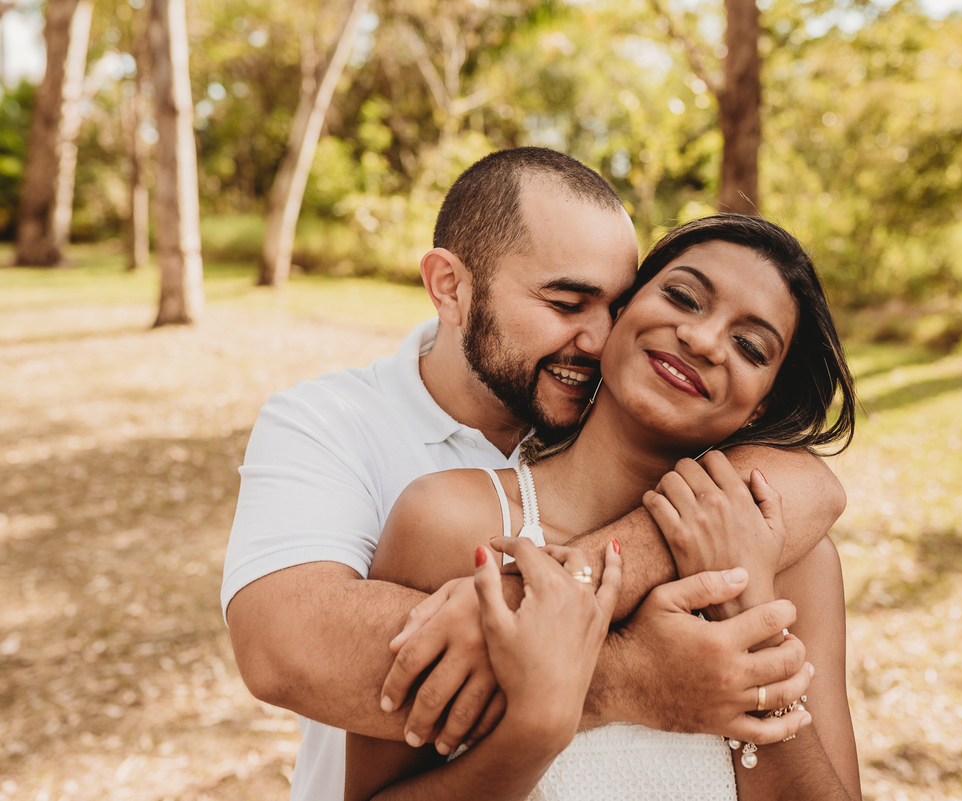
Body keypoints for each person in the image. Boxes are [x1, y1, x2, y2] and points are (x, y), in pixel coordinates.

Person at [222, 148, 846, 801]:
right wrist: (621, 677)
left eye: (614, 304)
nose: (599, 336)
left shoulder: (765, 532)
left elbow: (818, 485)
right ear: (450, 286)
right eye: (568, 301)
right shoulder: (356, 444)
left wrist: (589, 585)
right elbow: (285, 646)